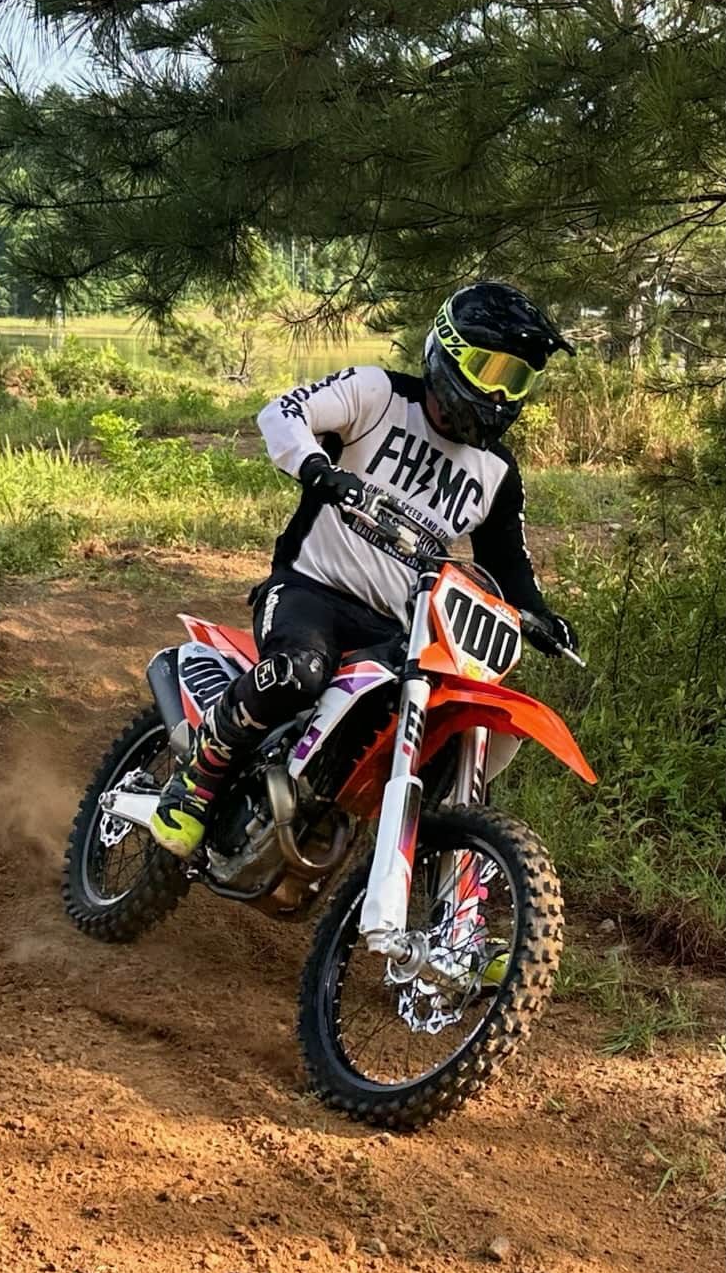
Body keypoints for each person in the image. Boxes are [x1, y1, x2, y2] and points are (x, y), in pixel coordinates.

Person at [151, 281, 579, 858]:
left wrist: (541, 614)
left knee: (421, 717)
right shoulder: (377, 394)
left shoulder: (497, 471)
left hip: (399, 630)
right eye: (491, 369)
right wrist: (317, 468)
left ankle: (441, 896)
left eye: (517, 380)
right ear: (448, 352)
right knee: (300, 672)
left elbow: (509, 561)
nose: (502, 393)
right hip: (308, 590)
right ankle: (199, 778)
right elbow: (283, 411)